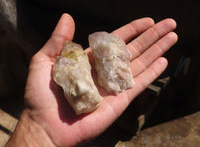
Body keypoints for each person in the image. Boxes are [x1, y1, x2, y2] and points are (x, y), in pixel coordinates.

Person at [5, 13, 177, 147]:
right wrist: (38, 131)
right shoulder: (67, 64)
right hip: (86, 90)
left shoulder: (72, 61)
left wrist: (36, 134)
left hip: (94, 86)